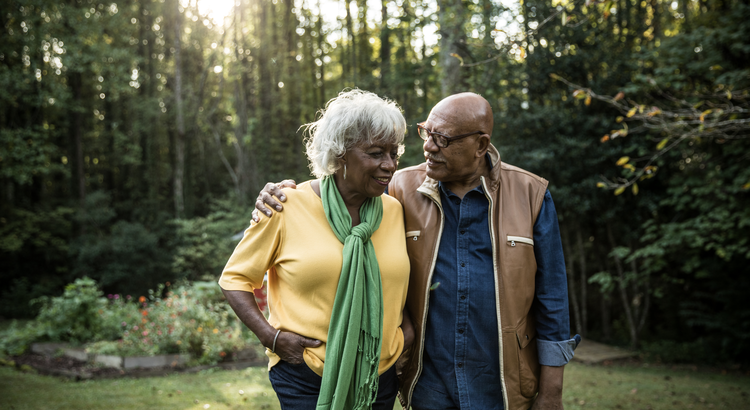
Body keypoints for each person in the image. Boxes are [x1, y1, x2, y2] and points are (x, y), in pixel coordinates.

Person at [255, 92, 579, 410]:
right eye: (426, 132)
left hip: (501, 381)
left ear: (480, 145)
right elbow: (342, 187)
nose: (428, 146)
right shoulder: (398, 188)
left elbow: (552, 298)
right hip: (428, 384)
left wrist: (552, 391)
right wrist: (278, 193)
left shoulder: (531, 195)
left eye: (443, 138)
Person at [219, 89, 414, 410]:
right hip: (304, 371)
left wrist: (404, 333)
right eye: (376, 153)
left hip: (378, 376)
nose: (389, 165)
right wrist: (271, 337)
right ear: (339, 153)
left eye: (394, 153)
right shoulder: (285, 206)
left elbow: (402, 281)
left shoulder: (395, 210)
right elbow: (234, 279)